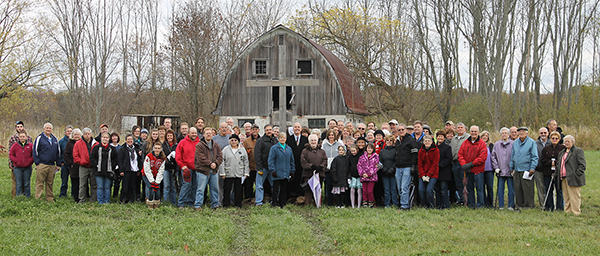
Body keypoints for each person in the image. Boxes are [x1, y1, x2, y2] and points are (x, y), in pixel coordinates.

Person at [555, 135, 586, 215]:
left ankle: (576, 212)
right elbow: (559, 164)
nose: (567, 143)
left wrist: (576, 174)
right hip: (563, 177)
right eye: (565, 141)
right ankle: (567, 211)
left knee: (574, 196)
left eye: (568, 141)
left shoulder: (578, 151)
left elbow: (582, 165)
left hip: (573, 178)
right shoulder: (562, 152)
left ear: (572, 142)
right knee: (566, 195)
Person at [458, 126, 488, 209]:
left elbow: (482, 157)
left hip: (478, 171)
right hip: (468, 170)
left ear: (478, 132)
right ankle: (471, 204)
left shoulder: (481, 143)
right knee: (469, 188)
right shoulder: (465, 142)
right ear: (469, 132)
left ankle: (480, 205)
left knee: (479, 189)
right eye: (472, 131)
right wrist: (464, 165)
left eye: (475, 131)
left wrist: (471, 164)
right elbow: (460, 154)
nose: (473, 133)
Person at [510, 127, 539, 210]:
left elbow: (534, 156)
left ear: (527, 133)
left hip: (527, 169)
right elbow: (513, 155)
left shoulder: (531, 142)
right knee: (518, 188)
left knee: (527, 189)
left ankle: (529, 205)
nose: (521, 133)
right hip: (517, 169)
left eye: (523, 132)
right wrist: (511, 166)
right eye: (520, 132)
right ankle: (519, 205)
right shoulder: (515, 142)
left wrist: (532, 168)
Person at [194, 127, 223, 210]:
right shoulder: (199, 145)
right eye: (207, 133)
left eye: (210, 133)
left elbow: (220, 156)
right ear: (204, 135)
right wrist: (210, 164)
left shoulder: (216, 145)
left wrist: (216, 163)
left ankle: (215, 205)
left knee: (214, 189)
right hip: (202, 171)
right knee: (200, 189)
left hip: (213, 171)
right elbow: (200, 158)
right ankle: (198, 205)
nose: (209, 135)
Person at [32, 123, 61, 202]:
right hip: (42, 164)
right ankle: (39, 198)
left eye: (50, 128)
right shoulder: (39, 138)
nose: (48, 130)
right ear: (44, 129)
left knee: (50, 182)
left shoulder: (55, 139)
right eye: (47, 128)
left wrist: (58, 164)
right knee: (40, 182)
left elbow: (58, 152)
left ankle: (49, 198)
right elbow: (35, 151)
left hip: (52, 165)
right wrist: (37, 163)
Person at [219, 134, 249, 208]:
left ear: (238, 141)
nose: (234, 142)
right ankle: (226, 204)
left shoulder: (242, 149)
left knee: (238, 189)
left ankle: (238, 204)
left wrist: (246, 173)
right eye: (232, 140)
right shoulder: (226, 149)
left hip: (239, 172)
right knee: (227, 189)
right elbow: (222, 161)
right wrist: (222, 172)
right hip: (228, 172)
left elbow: (246, 161)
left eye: (235, 140)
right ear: (229, 141)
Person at [267, 132, 295, 208]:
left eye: (284, 138)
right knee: (275, 189)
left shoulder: (289, 149)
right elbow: (271, 160)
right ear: (278, 139)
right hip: (277, 172)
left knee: (284, 189)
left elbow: (292, 160)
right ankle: (274, 203)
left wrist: (292, 171)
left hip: (286, 172)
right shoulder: (274, 148)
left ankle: (282, 203)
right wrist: (273, 170)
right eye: (281, 137)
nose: (282, 139)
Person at [395, 123, 418, 210]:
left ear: (406, 130)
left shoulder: (410, 140)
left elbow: (414, 153)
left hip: (407, 167)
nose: (401, 131)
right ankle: (402, 203)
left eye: (402, 130)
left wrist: (413, 166)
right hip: (398, 167)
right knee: (399, 188)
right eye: (399, 130)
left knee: (404, 187)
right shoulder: (397, 141)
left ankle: (405, 205)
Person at [540, 131, 565, 211]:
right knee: (548, 190)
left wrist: (556, 163)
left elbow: (564, 159)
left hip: (558, 173)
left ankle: (560, 207)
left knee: (559, 190)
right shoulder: (546, 149)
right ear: (550, 139)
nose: (554, 140)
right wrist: (551, 163)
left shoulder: (562, 148)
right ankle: (549, 206)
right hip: (547, 172)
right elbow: (543, 159)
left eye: (556, 138)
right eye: (553, 138)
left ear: (559, 139)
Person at [491, 127, 515, 210]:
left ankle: (511, 205)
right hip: (500, 171)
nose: (504, 134)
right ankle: (501, 205)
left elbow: (515, 156)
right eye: (503, 133)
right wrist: (496, 167)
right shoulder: (497, 144)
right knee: (500, 189)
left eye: (506, 133)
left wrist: (513, 168)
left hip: (510, 171)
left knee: (511, 189)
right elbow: (493, 156)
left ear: (509, 134)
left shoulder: (513, 144)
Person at [90, 132, 118, 205]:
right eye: (104, 137)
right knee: (100, 186)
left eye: (107, 137)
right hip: (98, 171)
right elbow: (92, 157)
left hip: (108, 171)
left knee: (107, 187)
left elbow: (115, 159)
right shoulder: (96, 148)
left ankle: (107, 201)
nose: (105, 139)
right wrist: (96, 165)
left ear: (109, 139)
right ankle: (100, 201)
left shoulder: (112, 149)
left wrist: (112, 166)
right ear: (101, 138)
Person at [300, 134, 327, 206]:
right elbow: (303, 162)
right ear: (309, 141)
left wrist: (320, 167)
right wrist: (311, 166)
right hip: (308, 174)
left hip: (319, 174)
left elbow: (325, 160)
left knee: (318, 189)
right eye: (312, 140)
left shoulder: (322, 151)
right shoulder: (304, 151)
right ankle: (307, 204)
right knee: (308, 190)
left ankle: (317, 204)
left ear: (317, 141)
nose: (313, 142)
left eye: (315, 140)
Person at [175, 127, 200, 208]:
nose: (194, 134)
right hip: (186, 168)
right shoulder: (182, 142)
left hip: (196, 168)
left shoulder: (199, 143)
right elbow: (178, 156)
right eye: (192, 133)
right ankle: (181, 203)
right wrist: (182, 166)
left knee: (195, 186)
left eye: (195, 133)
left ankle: (190, 202)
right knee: (186, 185)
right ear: (189, 133)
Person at [73, 128, 99, 203]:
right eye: (85, 134)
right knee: (82, 184)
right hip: (83, 166)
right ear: (83, 135)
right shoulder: (78, 143)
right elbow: (75, 156)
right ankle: (82, 199)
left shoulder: (96, 143)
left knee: (94, 184)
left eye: (89, 134)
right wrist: (81, 161)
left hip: (93, 167)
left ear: (91, 134)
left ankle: (93, 199)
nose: (87, 136)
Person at [254, 124, 277, 206]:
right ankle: (258, 202)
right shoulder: (260, 141)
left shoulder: (275, 141)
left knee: (274, 185)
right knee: (259, 185)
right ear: (265, 131)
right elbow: (257, 155)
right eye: (267, 130)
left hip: (272, 168)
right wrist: (259, 167)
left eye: (270, 129)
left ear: (272, 131)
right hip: (263, 167)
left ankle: (274, 200)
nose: (269, 131)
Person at [8, 121, 32, 198]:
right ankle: (16, 196)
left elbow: (33, 153)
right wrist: (13, 163)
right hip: (16, 165)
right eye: (18, 127)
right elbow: (10, 153)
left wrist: (30, 161)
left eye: (20, 127)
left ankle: (26, 196)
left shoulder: (29, 140)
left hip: (27, 166)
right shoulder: (13, 140)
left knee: (26, 182)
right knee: (16, 182)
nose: (19, 128)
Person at [118, 134, 142, 204]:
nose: (129, 141)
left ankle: (131, 199)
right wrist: (121, 170)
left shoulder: (136, 149)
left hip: (134, 169)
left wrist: (139, 169)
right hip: (126, 170)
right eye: (128, 139)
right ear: (126, 140)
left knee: (132, 185)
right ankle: (123, 199)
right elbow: (120, 160)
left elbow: (138, 159)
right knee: (125, 185)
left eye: (131, 139)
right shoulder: (122, 149)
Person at [449, 122, 470, 205]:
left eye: (461, 127)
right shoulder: (454, 138)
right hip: (454, 162)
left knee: (464, 182)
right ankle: (460, 199)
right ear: (456, 129)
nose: (460, 129)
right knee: (457, 182)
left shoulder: (467, 138)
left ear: (465, 129)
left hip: (463, 163)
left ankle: (466, 199)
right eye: (458, 127)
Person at [287, 122, 308, 199]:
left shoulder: (305, 139)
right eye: (295, 127)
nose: (297, 129)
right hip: (292, 163)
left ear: (301, 129)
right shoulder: (289, 139)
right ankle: (292, 196)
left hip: (302, 164)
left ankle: (301, 196)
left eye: (298, 127)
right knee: (292, 180)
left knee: (301, 179)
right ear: (293, 129)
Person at [322, 129, 343, 206]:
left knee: (336, 185)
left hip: (336, 169)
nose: (331, 136)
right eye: (330, 135)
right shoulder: (324, 144)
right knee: (328, 185)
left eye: (332, 135)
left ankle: (338, 202)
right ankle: (329, 202)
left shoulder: (339, 144)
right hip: (327, 168)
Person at [142, 142, 166, 209]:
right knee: (151, 188)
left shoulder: (163, 158)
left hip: (156, 175)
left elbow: (161, 170)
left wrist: (157, 182)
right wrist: (152, 181)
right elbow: (147, 169)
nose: (157, 150)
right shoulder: (148, 156)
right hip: (146, 175)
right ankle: (150, 204)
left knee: (157, 188)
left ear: (161, 149)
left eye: (158, 148)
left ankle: (156, 204)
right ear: (153, 149)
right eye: (155, 148)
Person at [418, 135, 440, 208]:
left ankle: (431, 205)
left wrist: (429, 175)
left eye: (429, 141)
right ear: (423, 142)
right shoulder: (421, 151)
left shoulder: (436, 150)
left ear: (432, 142)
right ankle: (424, 205)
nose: (427, 142)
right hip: (423, 174)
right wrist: (423, 175)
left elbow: (435, 164)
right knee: (421, 190)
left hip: (433, 174)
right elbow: (420, 163)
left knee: (429, 190)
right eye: (426, 141)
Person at [435, 130, 453, 209]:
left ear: (444, 138)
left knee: (443, 189)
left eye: (442, 136)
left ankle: (445, 205)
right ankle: (438, 205)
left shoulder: (447, 147)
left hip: (444, 171)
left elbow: (449, 159)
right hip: (435, 172)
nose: (440, 138)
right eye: (439, 136)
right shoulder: (434, 147)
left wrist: (440, 165)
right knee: (437, 190)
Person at [379, 135, 398, 207]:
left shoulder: (395, 150)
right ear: (385, 141)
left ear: (393, 142)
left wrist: (392, 169)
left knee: (393, 189)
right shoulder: (382, 151)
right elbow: (380, 161)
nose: (389, 142)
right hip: (384, 172)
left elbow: (396, 161)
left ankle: (395, 203)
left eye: (391, 140)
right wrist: (383, 169)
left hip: (393, 172)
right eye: (387, 140)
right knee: (386, 190)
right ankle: (387, 204)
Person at [357, 143, 379, 208]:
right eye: (368, 148)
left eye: (371, 148)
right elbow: (359, 166)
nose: (369, 149)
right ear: (366, 149)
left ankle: (371, 203)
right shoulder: (362, 157)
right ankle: (365, 203)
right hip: (363, 177)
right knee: (364, 191)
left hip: (372, 177)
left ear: (373, 149)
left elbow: (376, 167)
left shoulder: (376, 156)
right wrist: (362, 174)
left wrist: (369, 174)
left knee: (370, 191)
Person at [242, 124, 260, 199]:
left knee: (259, 185)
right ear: (251, 131)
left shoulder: (261, 140)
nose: (255, 130)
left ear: (258, 130)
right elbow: (243, 154)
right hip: (250, 167)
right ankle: (248, 199)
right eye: (253, 129)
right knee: (249, 185)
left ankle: (257, 199)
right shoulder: (246, 141)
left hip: (259, 167)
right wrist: (246, 167)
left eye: (256, 129)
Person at [64, 129, 82, 202]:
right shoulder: (69, 144)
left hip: (82, 165)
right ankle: (76, 197)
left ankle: (83, 196)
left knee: (82, 183)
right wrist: (71, 163)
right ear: (72, 135)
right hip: (73, 166)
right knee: (75, 182)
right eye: (75, 134)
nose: (76, 136)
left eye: (78, 134)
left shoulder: (82, 143)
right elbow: (66, 155)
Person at [162, 129, 179, 205]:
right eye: (168, 136)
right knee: (166, 186)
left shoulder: (176, 145)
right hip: (166, 167)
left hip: (174, 168)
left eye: (171, 136)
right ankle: (166, 202)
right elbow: (162, 156)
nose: (169, 137)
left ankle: (173, 202)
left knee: (173, 186)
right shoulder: (163, 145)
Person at [534, 127, 550, 209]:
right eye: (541, 133)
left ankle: (550, 204)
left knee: (550, 188)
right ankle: (542, 205)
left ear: (548, 133)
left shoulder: (551, 143)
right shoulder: (535, 144)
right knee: (540, 188)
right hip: (538, 169)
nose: (543, 134)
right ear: (539, 134)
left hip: (549, 170)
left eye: (545, 133)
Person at [480, 131, 495, 208]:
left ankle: (490, 203)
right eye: (483, 135)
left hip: (489, 169)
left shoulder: (491, 146)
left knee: (490, 187)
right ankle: (483, 202)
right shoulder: (478, 145)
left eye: (486, 136)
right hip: (480, 169)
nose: (485, 137)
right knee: (481, 187)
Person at [58, 125, 73, 198]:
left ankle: (73, 194)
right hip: (64, 164)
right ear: (65, 132)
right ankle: (63, 194)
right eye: (68, 131)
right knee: (64, 181)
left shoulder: (75, 141)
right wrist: (61, 162)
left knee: (74, 180)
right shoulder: (61, 142)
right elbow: (59, 153)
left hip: (72, 165)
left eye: (71, 131)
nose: (69, 132)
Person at [110, 132, 122, 198]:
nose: (115, 138)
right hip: (110, 167)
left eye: (116, 136)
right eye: (113, 136)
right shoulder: (109, 146)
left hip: (118, 167)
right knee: (110, 182)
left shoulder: (120, 147)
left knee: (117, 182)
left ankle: (115, 195)